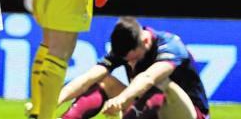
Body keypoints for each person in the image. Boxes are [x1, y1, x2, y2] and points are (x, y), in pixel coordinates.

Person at [57, 17, 209, 119]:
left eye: (133, 58)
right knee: (105, 80)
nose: (130, 63)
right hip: (149, 110)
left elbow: (148, 78)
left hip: (188, 114)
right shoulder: (126, 48)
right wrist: (55, 100)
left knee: (161, 81)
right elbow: (88, 78)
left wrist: (121, 100)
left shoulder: (170, 45)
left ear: (145, 40)